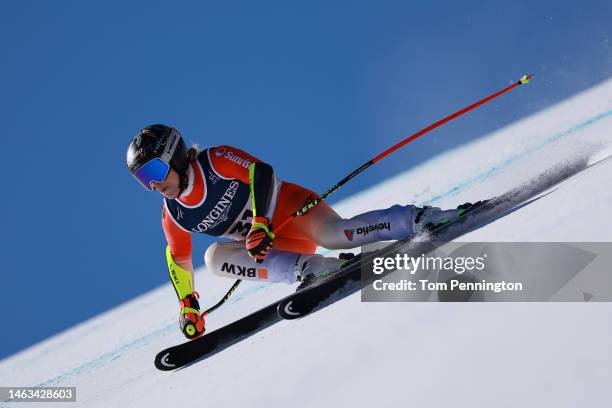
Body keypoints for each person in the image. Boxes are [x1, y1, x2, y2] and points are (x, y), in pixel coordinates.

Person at [126, 124, 473, 339]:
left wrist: (261, 220)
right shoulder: (173, 215)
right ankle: (311, 269)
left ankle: (418, 219)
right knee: (213, 258)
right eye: (144, 179)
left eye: (156, 169)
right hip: (276, 245)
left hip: (291, 210)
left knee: (335, 235)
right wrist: (188, 304)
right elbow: (177, 257)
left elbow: (261, 172)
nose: (155, 184)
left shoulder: (214, 161)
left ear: (174, 156)